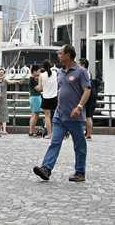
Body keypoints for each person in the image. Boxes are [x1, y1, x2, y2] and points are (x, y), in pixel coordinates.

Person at [33, 44, 90, 182]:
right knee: (55, 142)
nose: (58, 55)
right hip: (60, 115)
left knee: (79, 145)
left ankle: (80, 172)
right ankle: (46, 169)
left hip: (75, 117)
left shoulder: (81, 72)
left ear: (68, 55)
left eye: (60, 53)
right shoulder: (59, 72)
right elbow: (60, 90)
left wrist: (79, 107)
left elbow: (87, 91)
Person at [40, 59, 58, 139]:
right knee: (57, 116)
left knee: (47, 116)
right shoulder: (55, 73)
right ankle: (58, 133)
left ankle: (50, 134)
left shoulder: (41, 75)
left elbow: (40, 88)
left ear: (43, 67)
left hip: (46, 97)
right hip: (54, 97)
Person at [79, 59, 96, 140]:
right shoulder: (89, 73)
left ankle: (82, 133)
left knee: (84, 115)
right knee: (88, 116)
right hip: (91, 97)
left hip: (85, 96)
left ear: (83, 65)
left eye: (79, 64)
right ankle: (88, 134)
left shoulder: (83, 72)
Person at [28, 65, 43, 138]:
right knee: (35, 115)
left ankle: (31, 132)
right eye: (39, 71)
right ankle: (31, 132)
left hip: (34, 98)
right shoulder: (32, 79)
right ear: (34, 71)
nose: (40, 73)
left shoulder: (32, 79)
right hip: (35, 98)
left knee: (34, 115)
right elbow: (38, 89)